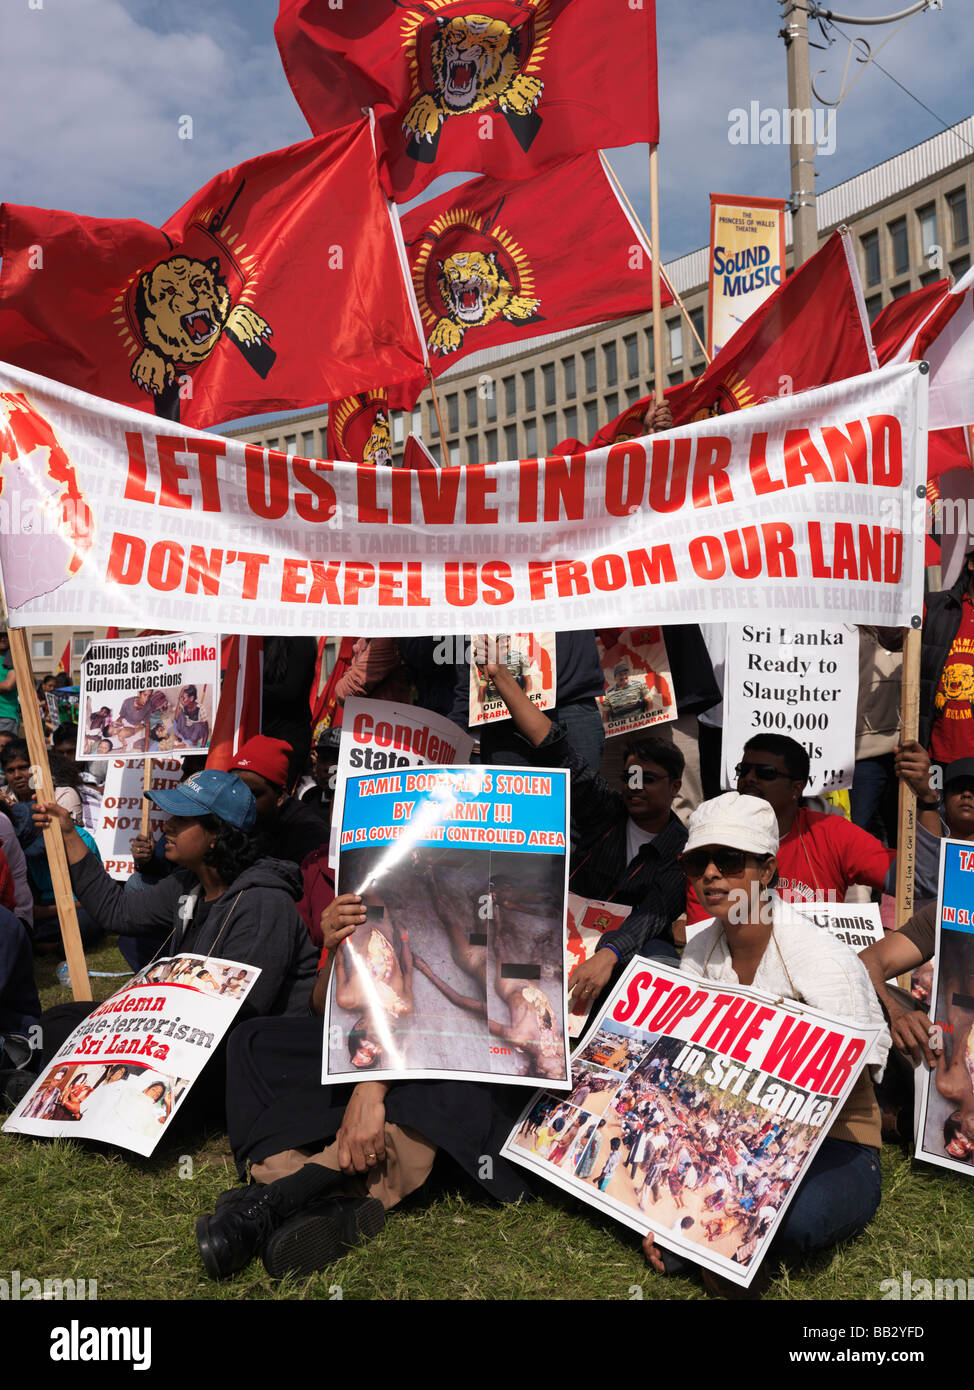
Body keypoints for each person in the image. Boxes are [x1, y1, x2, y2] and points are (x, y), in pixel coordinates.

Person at [643, 792, 889, 1282]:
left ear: (768, 870)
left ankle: (727, 1243)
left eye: (730, 860)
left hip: (831, 1141)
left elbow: (861, 1068)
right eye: (698, 862)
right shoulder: (698, 951)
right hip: (731, 1132)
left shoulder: (821, 959)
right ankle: (713, 1238)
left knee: (801, 1218)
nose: (711, 875)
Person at [32, 769, 317, 1023]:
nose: (167, 826)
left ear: (218, 833)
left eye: (181, 818)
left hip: (242, 1050)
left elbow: (240, 1011)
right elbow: (116, 910)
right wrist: (69, 834)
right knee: (61, 1020)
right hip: (187, 1025)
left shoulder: (263, 903)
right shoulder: (188, 882)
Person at [483, 657, 687, 1010]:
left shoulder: (683, 847)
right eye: (628, 779)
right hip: (559, 928)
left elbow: (653, 914)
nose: (634, 788)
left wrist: (607, 954)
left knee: (662, 963)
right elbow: (553, 745)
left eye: (647, 780)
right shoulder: (605, 808)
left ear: (676, 787)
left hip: (624, 948)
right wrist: (500, 675)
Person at [685, 732, 939, 921]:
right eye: (744, 770)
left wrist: (926, 800)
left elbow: (919, 881)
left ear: (797, 788)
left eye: (766, 772)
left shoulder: (831, 833)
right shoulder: (714, 837)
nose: (750, 778)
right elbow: (704, 937)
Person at [229, 735, 329, 865]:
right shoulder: (225, 823)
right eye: (234, 792)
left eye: (253, 794)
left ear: (280, 796)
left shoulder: (310, 838)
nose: (240, 802)